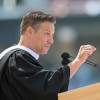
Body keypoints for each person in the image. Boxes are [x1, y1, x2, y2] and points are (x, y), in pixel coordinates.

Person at [0, 11, 96, 100]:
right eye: (47, 34)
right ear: (30, 31)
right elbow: (45, 88)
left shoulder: (13, 58)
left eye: (52, 35)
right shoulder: (17, 58)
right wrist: (78, 61)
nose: (51, 41)